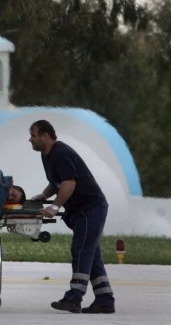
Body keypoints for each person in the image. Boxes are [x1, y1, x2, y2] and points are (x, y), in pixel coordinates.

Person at [28, 119, 115, 314]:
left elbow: (69, 183)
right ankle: (105, 299)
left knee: (81, 250)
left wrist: (54, 207)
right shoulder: (47, 155)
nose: (30, 139)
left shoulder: (60, 153)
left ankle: (74, 298)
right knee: (91, 256)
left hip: (90, 208)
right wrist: (43, 196)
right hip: (82, 211)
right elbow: (56, 182)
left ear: (45, 136)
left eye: (33, 135)